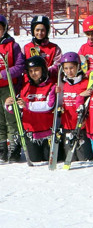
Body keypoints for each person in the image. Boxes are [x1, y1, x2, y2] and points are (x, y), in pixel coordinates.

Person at [5, 56, 57, 163]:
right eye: (31, 71)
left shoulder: (51, 86)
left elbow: (49, 105)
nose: (33, 73)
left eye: (36, 70)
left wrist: (28, 105)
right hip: (31, 132)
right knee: (35, 159)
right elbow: (18, 109)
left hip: (48, 132)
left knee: (51, 158)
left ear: (43, 70)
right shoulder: (25, 87)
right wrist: (9, 105)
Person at [58, 52, 93, 162]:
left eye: (72, 68)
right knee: (71, 159)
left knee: (84, 158)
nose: (69, 71)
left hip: (81, 126)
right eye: (66, 68)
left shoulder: (85, 83)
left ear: (78, 66)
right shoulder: (62, 84)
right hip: (67, 126)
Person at [0, 14, 25, 162]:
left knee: (11, 118)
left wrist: (3, 74)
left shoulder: (12, 46)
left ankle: (14, 148)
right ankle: (2, 148)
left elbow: (20, 66)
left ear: (4, 29)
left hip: (8, 87)